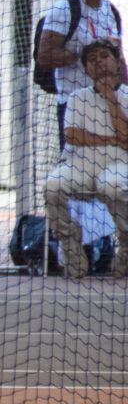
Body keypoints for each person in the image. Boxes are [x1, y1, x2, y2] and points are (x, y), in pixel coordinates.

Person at [44, 38, 128, 279]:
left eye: (104, 56)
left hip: (119, 163)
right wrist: (111, 139)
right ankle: (71, 246)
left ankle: (126, 244)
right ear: (86, 69)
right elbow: (72, 135)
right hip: (81, 163)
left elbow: (126, 137)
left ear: (116, 62)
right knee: (53, 186)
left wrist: (110, 98)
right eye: (92, 60)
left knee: (111, 186)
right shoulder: (77, 98)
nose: (99, 62)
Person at [37, 0, 121, 146]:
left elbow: (120, 59)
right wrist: (85, 53)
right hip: (75, 104)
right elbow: (44, 56)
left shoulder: (111, 11)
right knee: (77, 168)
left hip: (108, 102)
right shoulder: (65, 9)